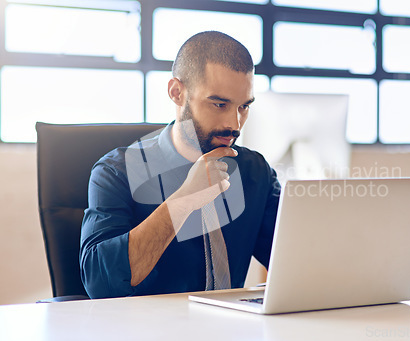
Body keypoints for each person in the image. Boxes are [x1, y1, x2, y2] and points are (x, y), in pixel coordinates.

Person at [80, 31, 281, 299]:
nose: (234, 124)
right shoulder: (116, 171)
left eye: (243, 107)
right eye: (219, 104)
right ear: (177, 93)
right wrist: (183, 201)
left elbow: (298, 262)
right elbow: (100, 285)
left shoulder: (256, 172)